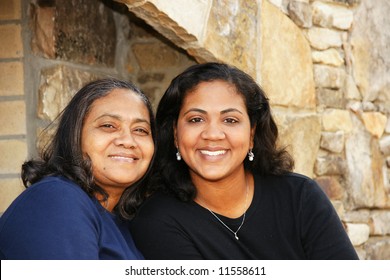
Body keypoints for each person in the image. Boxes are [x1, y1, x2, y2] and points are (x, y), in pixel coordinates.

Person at [130, 62, 359, 260]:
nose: (213, 134)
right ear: (175, 135)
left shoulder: (299, 196)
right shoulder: (157, 219)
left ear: (251, 134)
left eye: (230, 120)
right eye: (196, 119)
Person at [0, 78, 155, 260]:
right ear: (75, 135)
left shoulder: (118, 218)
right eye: (108, 126)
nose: (128, 141)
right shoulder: (57, 199)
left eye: (140, 130)